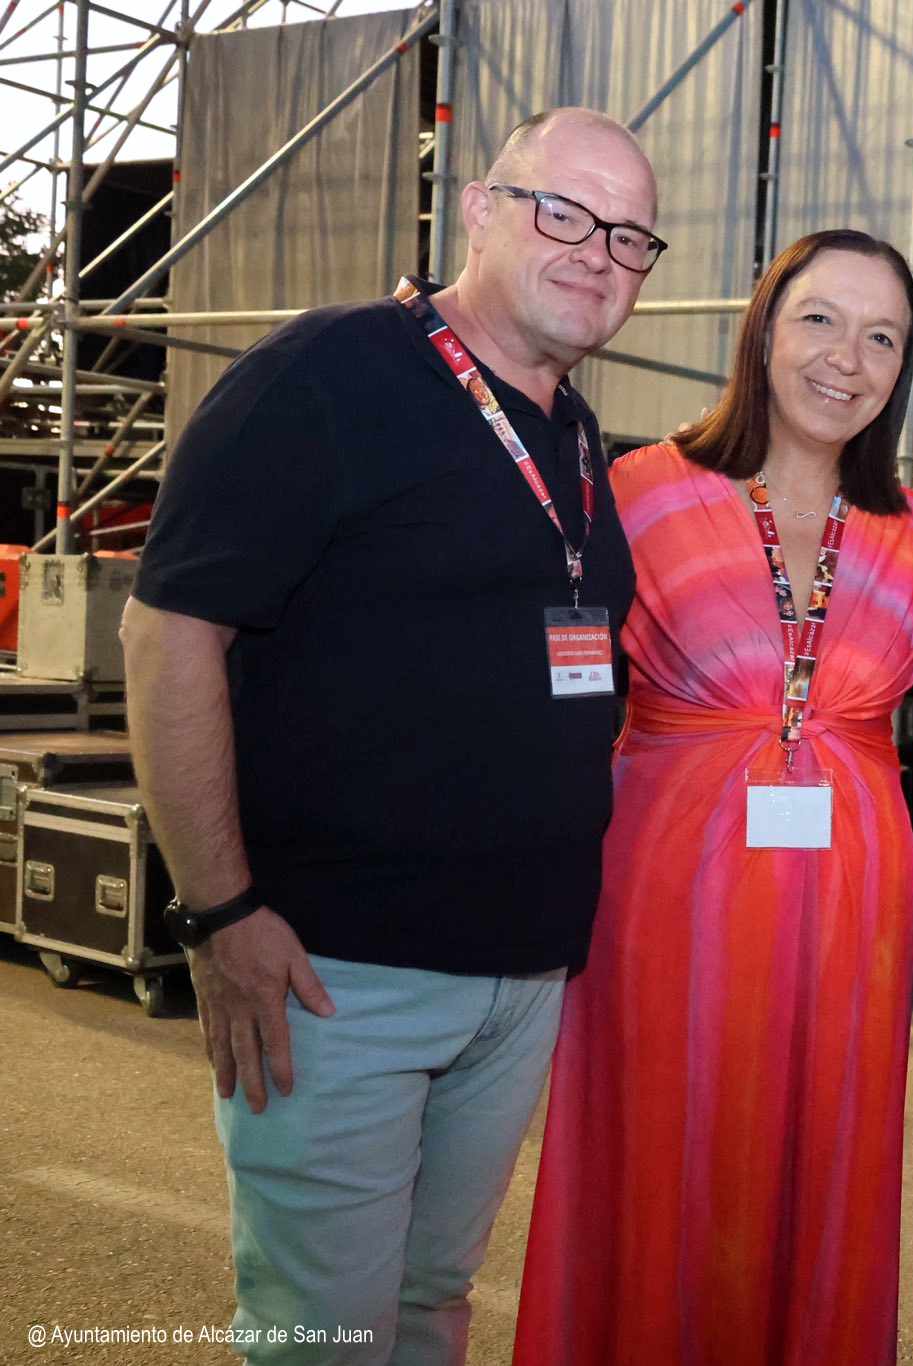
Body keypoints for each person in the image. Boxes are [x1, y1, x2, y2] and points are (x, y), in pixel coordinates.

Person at [122, 107, 659, 1364]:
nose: (596, 254)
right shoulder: (330, 373)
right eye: (563, 213)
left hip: (519, 977)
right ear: (477, 209)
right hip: (339, 972)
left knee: (429, 1307)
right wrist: (219, 910)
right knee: (325, 1331)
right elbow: (168, 631)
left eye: (629, 236)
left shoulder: (575, 434)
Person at [512, 228, 913, 1366]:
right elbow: (540, 687)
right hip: (661, 901)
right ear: (764, 326)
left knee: (818, 1162)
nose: (847, 358)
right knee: (663, 1158)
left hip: (848, 917)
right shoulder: (638, 492)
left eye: (882, 337)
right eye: (820, 318)